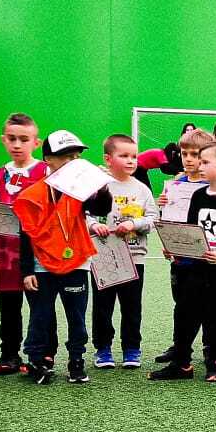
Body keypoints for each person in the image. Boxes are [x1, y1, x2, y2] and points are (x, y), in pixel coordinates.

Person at [13, 130, 115, 385]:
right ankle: (36, 360)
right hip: (41, 265)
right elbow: (25, 234)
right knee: (40, 316)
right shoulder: (33, 194)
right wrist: (27, 270)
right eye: (66, 157)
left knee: (76, 317)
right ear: (48, 159)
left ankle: (76, 361)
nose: (73, 162)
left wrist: (102, 187)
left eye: (76, 156)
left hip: (76, 262)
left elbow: (101, 208)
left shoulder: (81, 190)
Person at [150, 142, 216, 382]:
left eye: (205, 162)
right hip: (195, 270)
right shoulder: (198, 196)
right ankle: (181, 363)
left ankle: (215, 363)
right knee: (185, 313)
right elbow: (190, 230)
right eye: (200, 161)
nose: (200, 166)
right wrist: (175, 249)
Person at [89, 135, 159, 370]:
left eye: (134, 156)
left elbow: (153, 218)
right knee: (102, 306)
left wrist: (134, 224)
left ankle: (131, 348)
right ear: (108, 159)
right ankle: (103, 348)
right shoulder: (98, 187)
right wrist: (93, 225)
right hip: (103, 257)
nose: (131, 161)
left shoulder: (142, 189)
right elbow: (84, 215)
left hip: (134, 257)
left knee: (132, 306)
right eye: (124, 156)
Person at [0, 113, 49, 375]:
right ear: (4, 140)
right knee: (9, 306)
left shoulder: (45, 172)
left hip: (37, 253)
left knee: (40, 306)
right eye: (12, 139)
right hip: (5, 253)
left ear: (36, 143)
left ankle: (41, 353)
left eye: (24, 139)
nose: (17, 144)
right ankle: (9, 354)